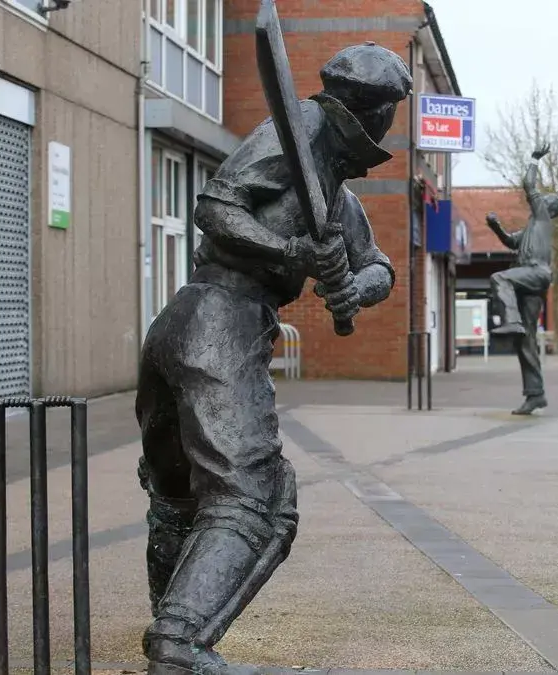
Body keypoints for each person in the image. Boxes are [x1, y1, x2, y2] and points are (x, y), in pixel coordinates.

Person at [134, 42, 410, 675]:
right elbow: (216, 206)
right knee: (254, 498)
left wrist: (349, 287)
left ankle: (169, 615)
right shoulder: (304, 129)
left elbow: (380, 270)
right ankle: (179, 644)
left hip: (184, 326)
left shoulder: (334, 193)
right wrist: (291, 253)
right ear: (377, 114)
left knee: (180, 496)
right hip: (218, 323)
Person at [485, 143, 558, 415]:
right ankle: (535, 394)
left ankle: (511, 321)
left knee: (499, 278)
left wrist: (534, 159)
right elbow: (509, 241)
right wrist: (495, 226)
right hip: (533, 279)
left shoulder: (542, 217)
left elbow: (529, 184)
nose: (540, 199)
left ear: (549, 207)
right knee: (526, 340)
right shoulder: (531, 228)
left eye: (545, 199)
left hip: (535, 273)